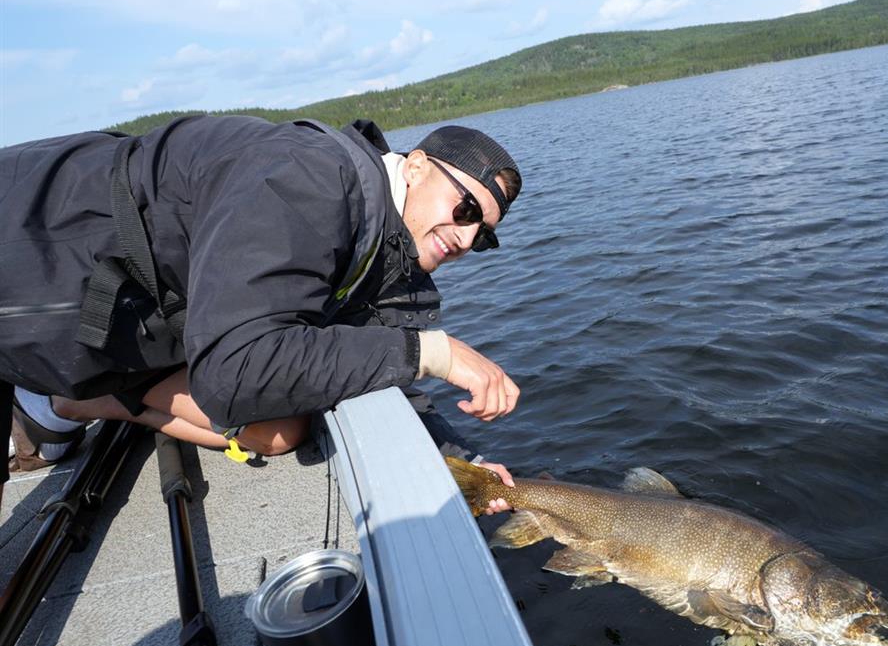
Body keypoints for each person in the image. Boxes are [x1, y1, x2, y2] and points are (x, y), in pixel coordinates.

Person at [1, 115, 517, 512]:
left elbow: (388, 371)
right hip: (36, 256)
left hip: (144, 315)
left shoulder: (388, 253)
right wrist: (435, 352)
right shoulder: (309, 175)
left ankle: (71, 400)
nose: (467, 237)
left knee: (285, 429)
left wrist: (462, 463)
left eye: (485, 235)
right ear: (418, 166)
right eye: (466, 209)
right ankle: (64, 396)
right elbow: (233, 375)